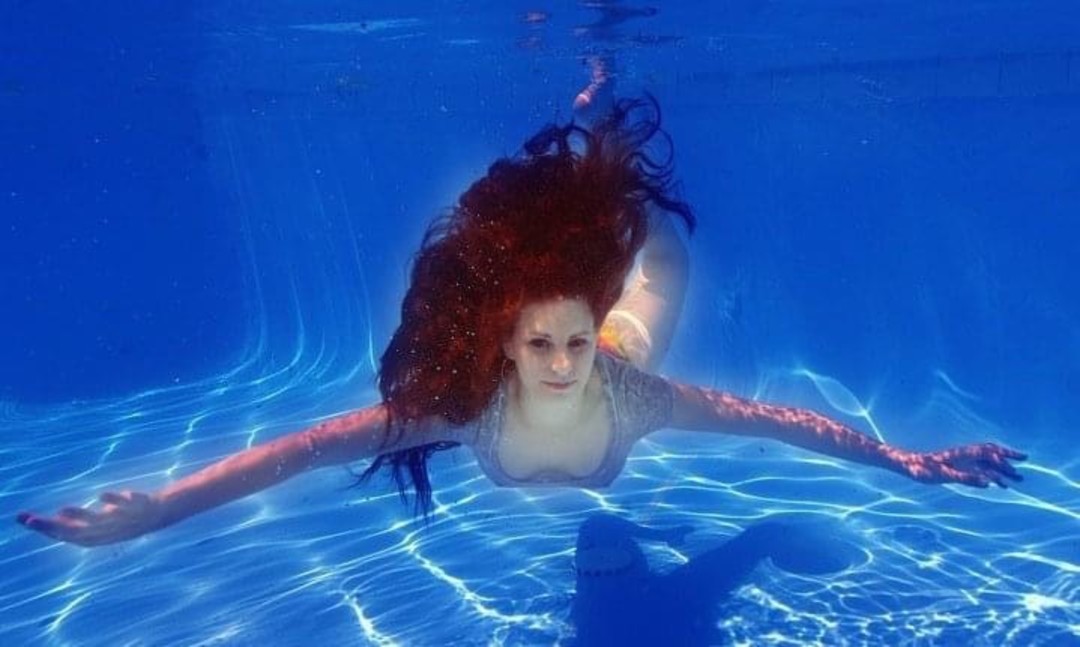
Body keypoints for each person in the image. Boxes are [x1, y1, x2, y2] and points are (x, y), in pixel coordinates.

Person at [16, 97, 1025, 548]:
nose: (559, 363)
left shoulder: (629, 386)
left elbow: (775, 422)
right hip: (578, 327)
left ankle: (604, 154)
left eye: (570, 342)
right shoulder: (470, 406)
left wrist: (904, 460)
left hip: (631, 334)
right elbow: (305, 449)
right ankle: (596, 151)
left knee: (662, 259)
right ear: (502, 344)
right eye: (539, 343)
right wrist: (163, 508)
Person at [569, 513, 858, 646]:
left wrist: (659, 535)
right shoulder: (681, 592)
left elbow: (597, 525)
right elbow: (765, 536)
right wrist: (661, 535)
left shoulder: (590, 617)